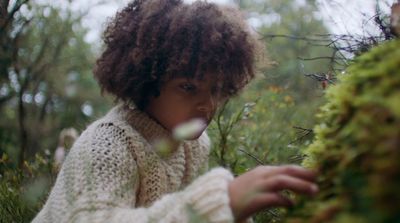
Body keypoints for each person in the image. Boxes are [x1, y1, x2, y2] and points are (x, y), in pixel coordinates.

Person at [32, 0, 318, 222]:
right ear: (145, 80)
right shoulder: (108, 144)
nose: (208, 105)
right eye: (188, 87)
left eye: (217, 89)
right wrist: (220, 203)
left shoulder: (194, 147)